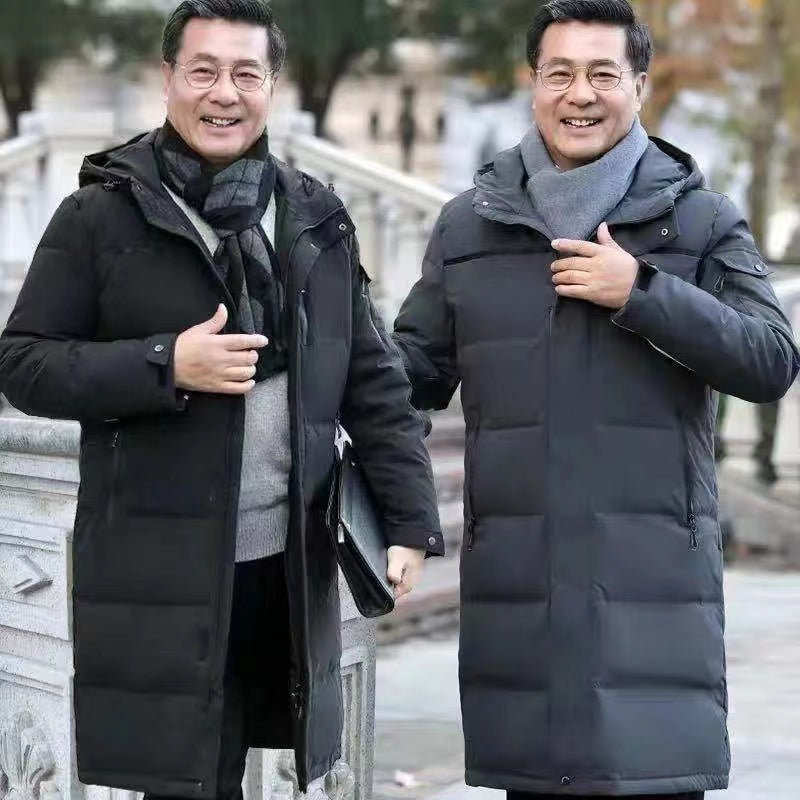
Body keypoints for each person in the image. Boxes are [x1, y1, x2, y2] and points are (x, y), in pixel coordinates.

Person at [0, 2, 443, 799]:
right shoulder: (100, 215)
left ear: (272, 84)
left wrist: (410, 522)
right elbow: (24, 363)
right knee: (185, 780)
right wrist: (166, 364)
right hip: (158, 570)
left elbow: (372, 379)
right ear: (168, 77)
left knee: (250, 763)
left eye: (245, 73)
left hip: (284, 565)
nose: (224, 93)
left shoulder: (313, 216)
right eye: (203, 71)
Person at [393, 1, 799, 799]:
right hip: (520, 600)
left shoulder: (700, 220)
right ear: (533, 84)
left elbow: (771, 360)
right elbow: (407, 378)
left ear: (639, 86)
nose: (580, 94)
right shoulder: (469, 227)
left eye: (603, 74)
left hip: (655, 602)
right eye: (561, 73)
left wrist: (642, 292)